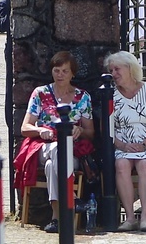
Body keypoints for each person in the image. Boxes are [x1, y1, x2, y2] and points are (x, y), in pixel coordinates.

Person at [19, 51, 94, 234]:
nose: (60, 75)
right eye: (56, 70)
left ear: (72, 73)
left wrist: (80, 130)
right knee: (55, 150)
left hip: (72, 151)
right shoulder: (41, 93)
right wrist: (40, 130)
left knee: (53, 164)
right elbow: (25, 127)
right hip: (45, 146)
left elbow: (91, 133)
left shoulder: (83, 97)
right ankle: (73, 200)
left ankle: (56, 217)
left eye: (65, 71)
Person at [107, 51, 146, 233]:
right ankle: (130, 218)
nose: (113, 74)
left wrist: (144, 145)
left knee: (144, 164)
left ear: (130, 68)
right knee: (121, 164)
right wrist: (122, 145)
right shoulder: (110, 96)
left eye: (117, 69)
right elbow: (108, 129)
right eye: (111, 70)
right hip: (122, 146)